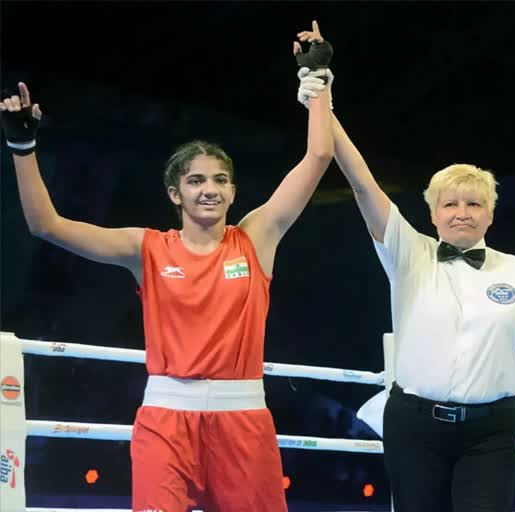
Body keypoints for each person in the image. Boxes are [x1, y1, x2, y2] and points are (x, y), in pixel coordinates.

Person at [295, 35, 515, 512]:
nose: (462, 212)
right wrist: (321, 93)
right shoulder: (408, 252)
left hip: (491, 430)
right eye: (450, 203)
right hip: (414, 424)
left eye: (474, 202)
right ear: (433, 213)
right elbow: (361, 183)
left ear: (490, 213)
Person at [1, 22, 333, 511]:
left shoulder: (256, 239)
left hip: (242, 421)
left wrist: (318, 75)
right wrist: (23, 149)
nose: (210, 188)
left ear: (234, 192)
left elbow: (319, 155)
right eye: (196, 180)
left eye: (221, 179)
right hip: (166, 419)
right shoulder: (147, 248)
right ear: (176, 193)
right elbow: (46, 225)